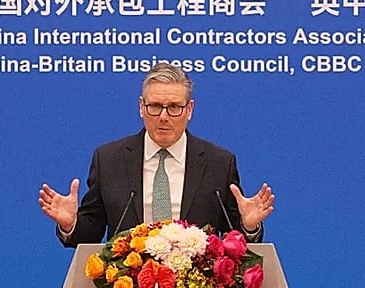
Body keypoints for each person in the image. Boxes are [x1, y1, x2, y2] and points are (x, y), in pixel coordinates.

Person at [39, 62, 274, 245]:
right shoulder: (110, 160)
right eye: (154, 106)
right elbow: (91, 234)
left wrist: (248, 226)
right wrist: (71, 224)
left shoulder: (218, 163)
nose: (163, 116)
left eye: (174, 107)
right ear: (141, 107)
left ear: (189, 109)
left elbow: (236, 240)